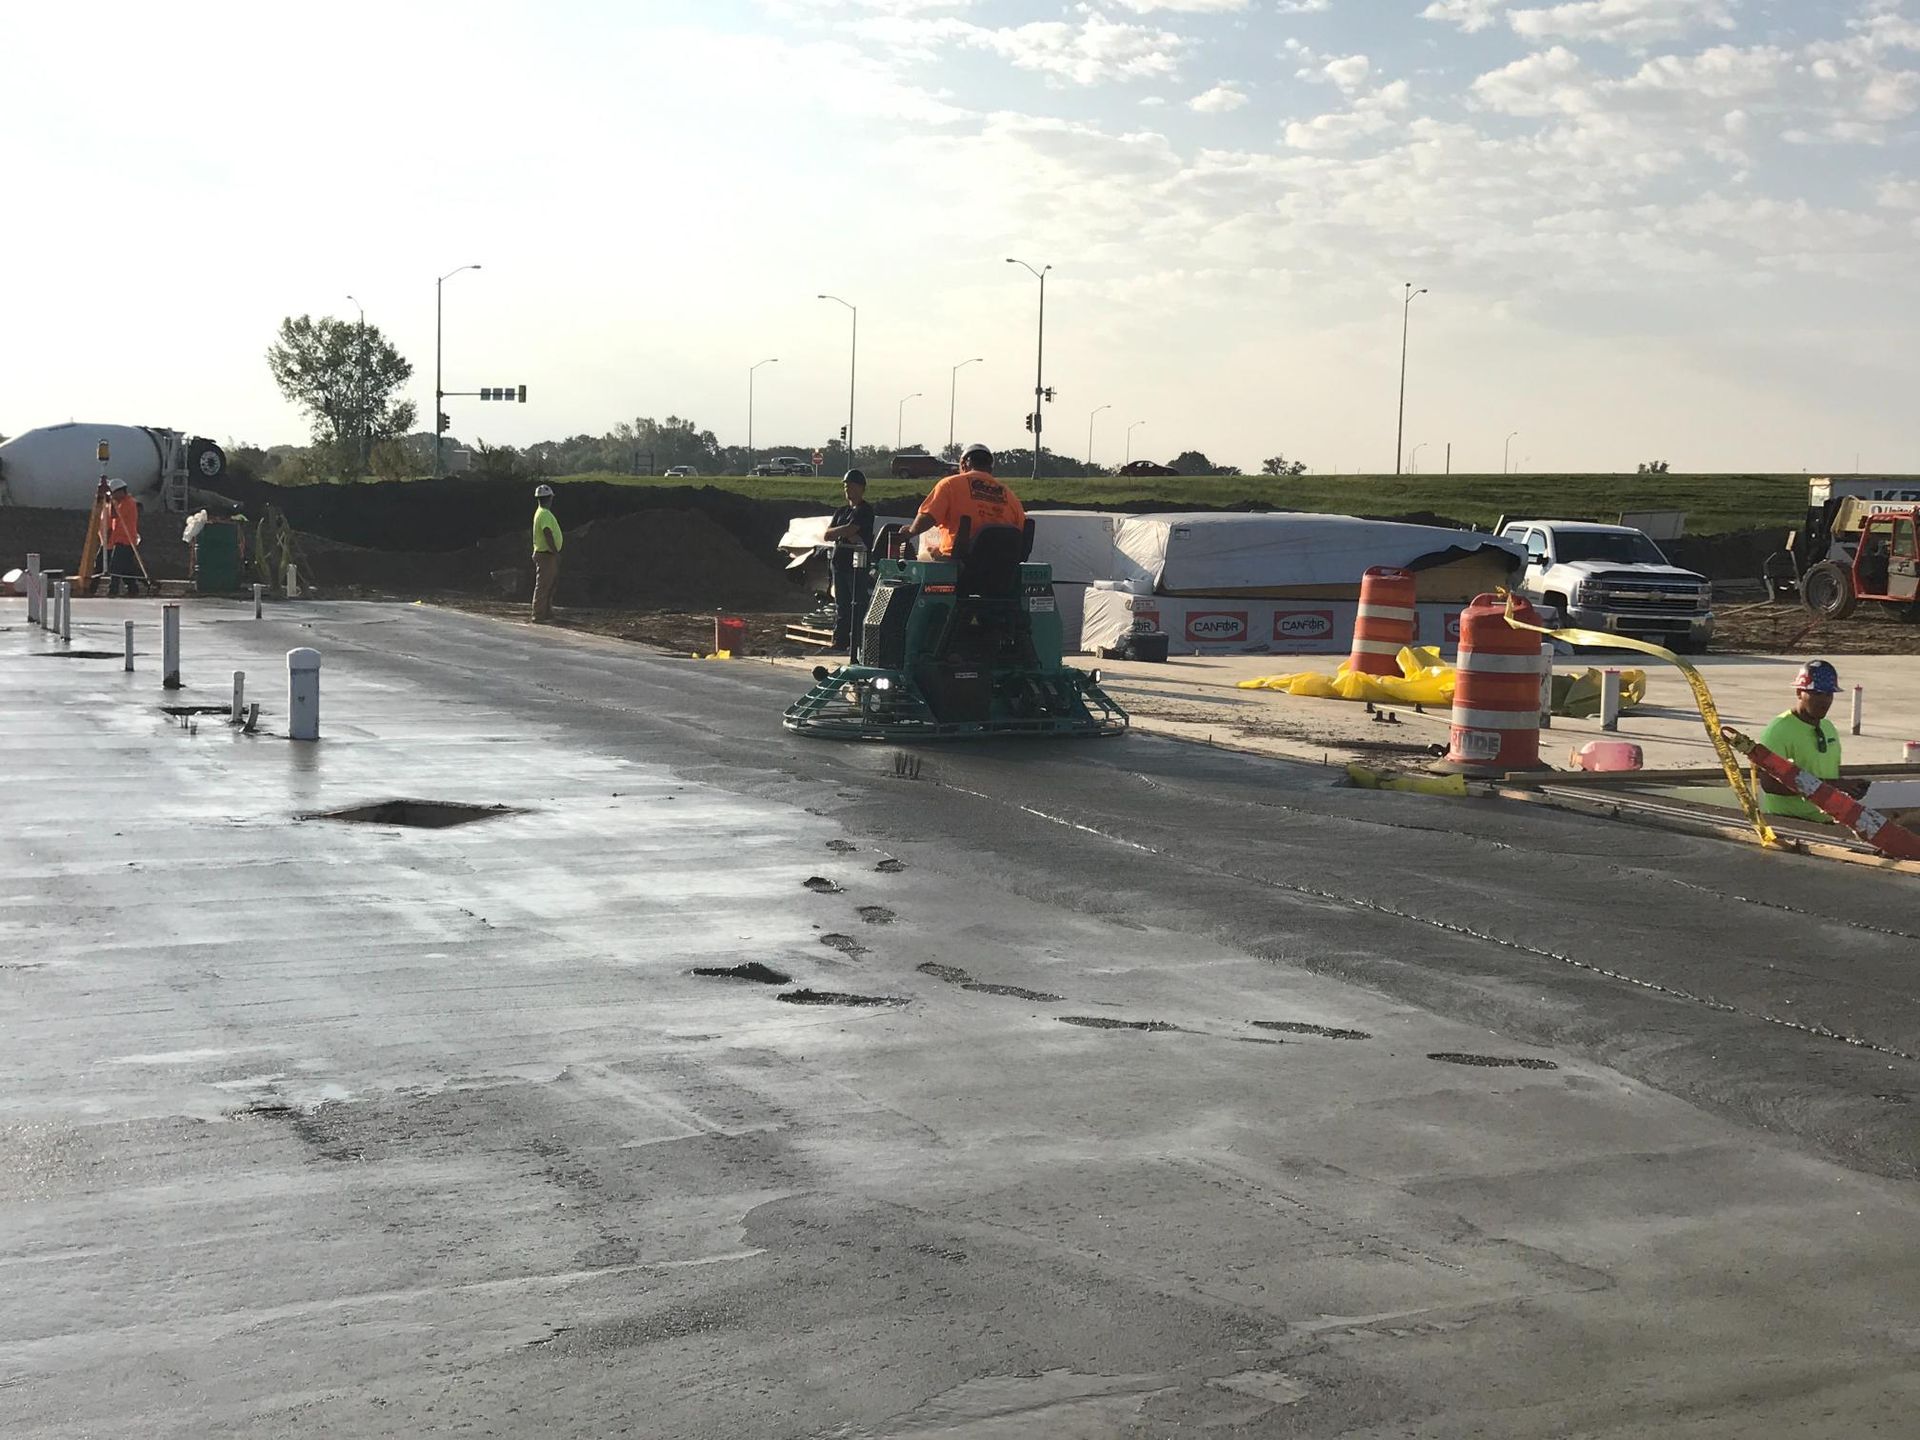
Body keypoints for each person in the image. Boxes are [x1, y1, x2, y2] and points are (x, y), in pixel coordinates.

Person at [1752, 660, 1866, 822]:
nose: (1824, 701)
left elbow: (1828, 773)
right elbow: (1770, 784)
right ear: (1799, 693)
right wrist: (1832, 786)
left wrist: (1848, 787)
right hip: (1791, 823)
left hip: (1827, 821)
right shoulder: (1778, 731)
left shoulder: (1828, 728)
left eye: (1829, 694)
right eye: (1817, 693)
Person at [903, 442, 1025, 561]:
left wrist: (909, 532)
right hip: (1002, 566)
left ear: (963, 465)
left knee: (925, 559)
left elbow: (927, 518)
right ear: (990, 468)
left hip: (959, 565)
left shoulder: (950, 485)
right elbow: (1022, 532)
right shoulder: (1010, 496)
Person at [823, 469, 876, 657]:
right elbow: (828, 534)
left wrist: (844, 532)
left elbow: (851, 529)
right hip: (839, 563)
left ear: (861, 488)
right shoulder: (841, 511)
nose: (847, 489)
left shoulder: (865, 510)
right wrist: (844, 532)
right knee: (842, 605)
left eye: (851, 486)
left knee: (857, 604)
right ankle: (840, 641)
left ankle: (858, 642)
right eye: (846, 486)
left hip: (856, 566)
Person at [101, 478, 143, 597]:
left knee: (116, 566)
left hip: (126, 540)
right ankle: (133, 589)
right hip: (119, 539)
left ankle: (113, 590)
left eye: (114, 493)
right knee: (126, 568)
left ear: (120, 491)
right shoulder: (121, 503)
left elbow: (115, 514)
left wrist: (111, 501)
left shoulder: (129, 503)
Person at [530, 484, 563, 622]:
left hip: (545, 554)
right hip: (546, 554)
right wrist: (555, 552)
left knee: (549, 585)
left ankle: (547, 613)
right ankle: (538, 615)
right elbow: (547, 532)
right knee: (544, 585)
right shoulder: (545, 514)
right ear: (549, 498)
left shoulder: (540, 512)